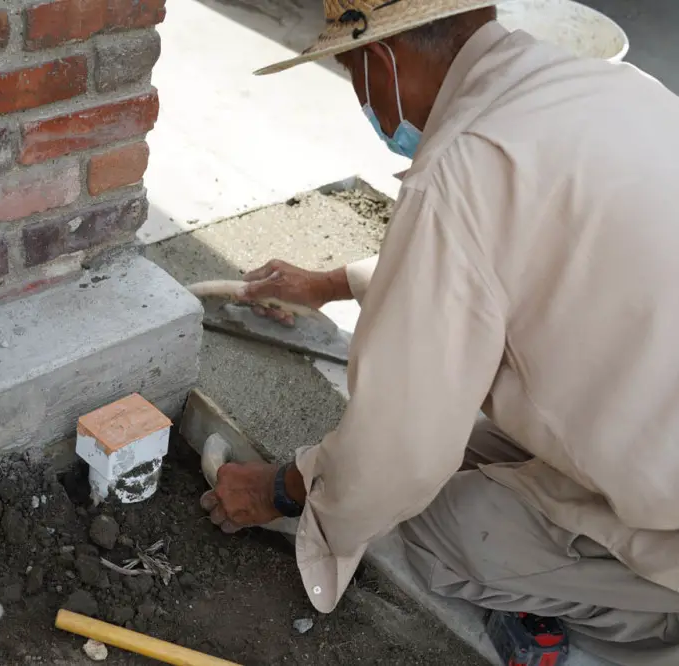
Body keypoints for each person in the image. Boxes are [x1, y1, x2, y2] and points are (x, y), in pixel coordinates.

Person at [198, 1, 679, 664]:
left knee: (434, 525)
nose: (362, 98)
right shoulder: (600, 87)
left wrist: (283, 488)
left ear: (382, 61)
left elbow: (401, 446)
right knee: (484, 445)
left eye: (351, 68)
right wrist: (323, 285)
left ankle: (650, 625)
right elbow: (491, 260)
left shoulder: (464, 163)